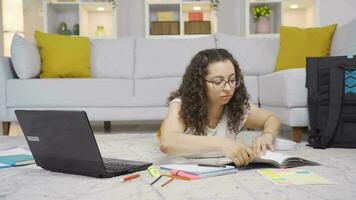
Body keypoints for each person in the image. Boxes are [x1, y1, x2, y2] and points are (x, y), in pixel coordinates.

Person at [158, 48, 280, 166]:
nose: (228, 88)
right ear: (200, 83)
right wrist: (222, 143)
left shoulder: (236, 107)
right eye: (217, 82)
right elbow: (167, 142)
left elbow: (270, 118)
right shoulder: (181, 106)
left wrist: (267, 135)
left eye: (232, 80)